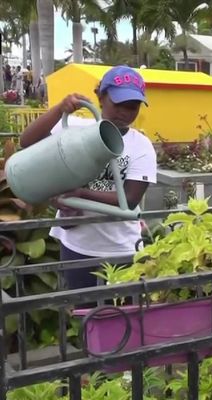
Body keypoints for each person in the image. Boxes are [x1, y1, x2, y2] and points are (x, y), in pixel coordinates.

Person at [20, 65, 157, 290]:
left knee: (123, 317)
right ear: (100, 97)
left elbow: (131, 199)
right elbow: (27, 141)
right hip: (78, 246)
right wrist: (58, 110)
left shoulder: (140, 145)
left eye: (133, 107)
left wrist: (82, 193)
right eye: (119, 105)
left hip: (122, 248)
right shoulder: (74, 129)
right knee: (83, 313)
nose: (125, 113)